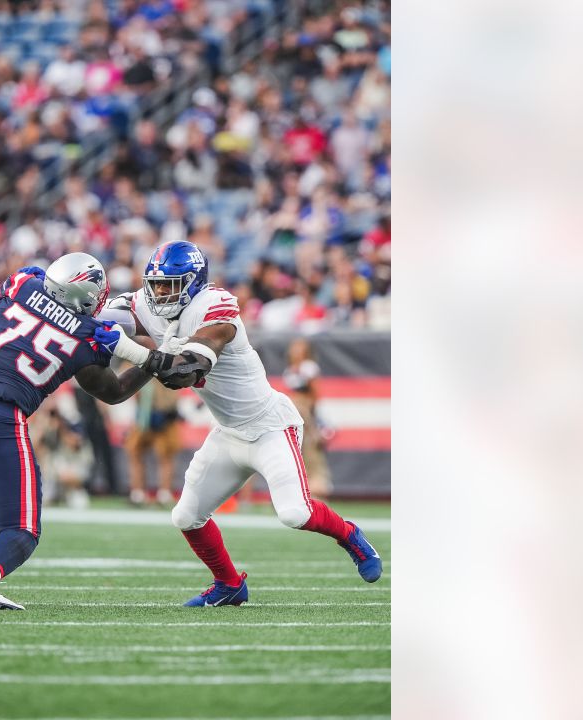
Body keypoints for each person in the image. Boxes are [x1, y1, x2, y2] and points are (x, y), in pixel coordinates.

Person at [100, 240, 383, 607]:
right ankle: (229, 585)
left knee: (295, 513)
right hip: (228, 432)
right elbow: (102, 319)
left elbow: (185, 371)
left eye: (171, 284)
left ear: (194, 283)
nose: (161, 293)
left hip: (269, 427)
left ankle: (349, 535)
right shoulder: (146, 304)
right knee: (186, 516)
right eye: (156, 284)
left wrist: (124, 347)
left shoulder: (217, 309)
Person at [0, 253, 165, 610]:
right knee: (22, 531)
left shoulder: (20, 286)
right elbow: (113, 390)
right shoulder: (91, 337)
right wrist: (159, 355)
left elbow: (33, 284)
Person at [283, 338, 332, 498]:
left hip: (306, 411)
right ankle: (298, 490)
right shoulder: (290, 370)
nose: (295, 350)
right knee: (296, 450)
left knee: (311, 450)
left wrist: (316, 419)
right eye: (294, 347)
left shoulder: (309, 368)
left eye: (299, 347)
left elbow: (314, 394)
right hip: (294, 411)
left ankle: (318, 487)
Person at [126, 382, 182, 506]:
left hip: (159, 417)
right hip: (146, 417)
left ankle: (161, 494)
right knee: (137, 454)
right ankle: (140, 494)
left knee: (165, 456)